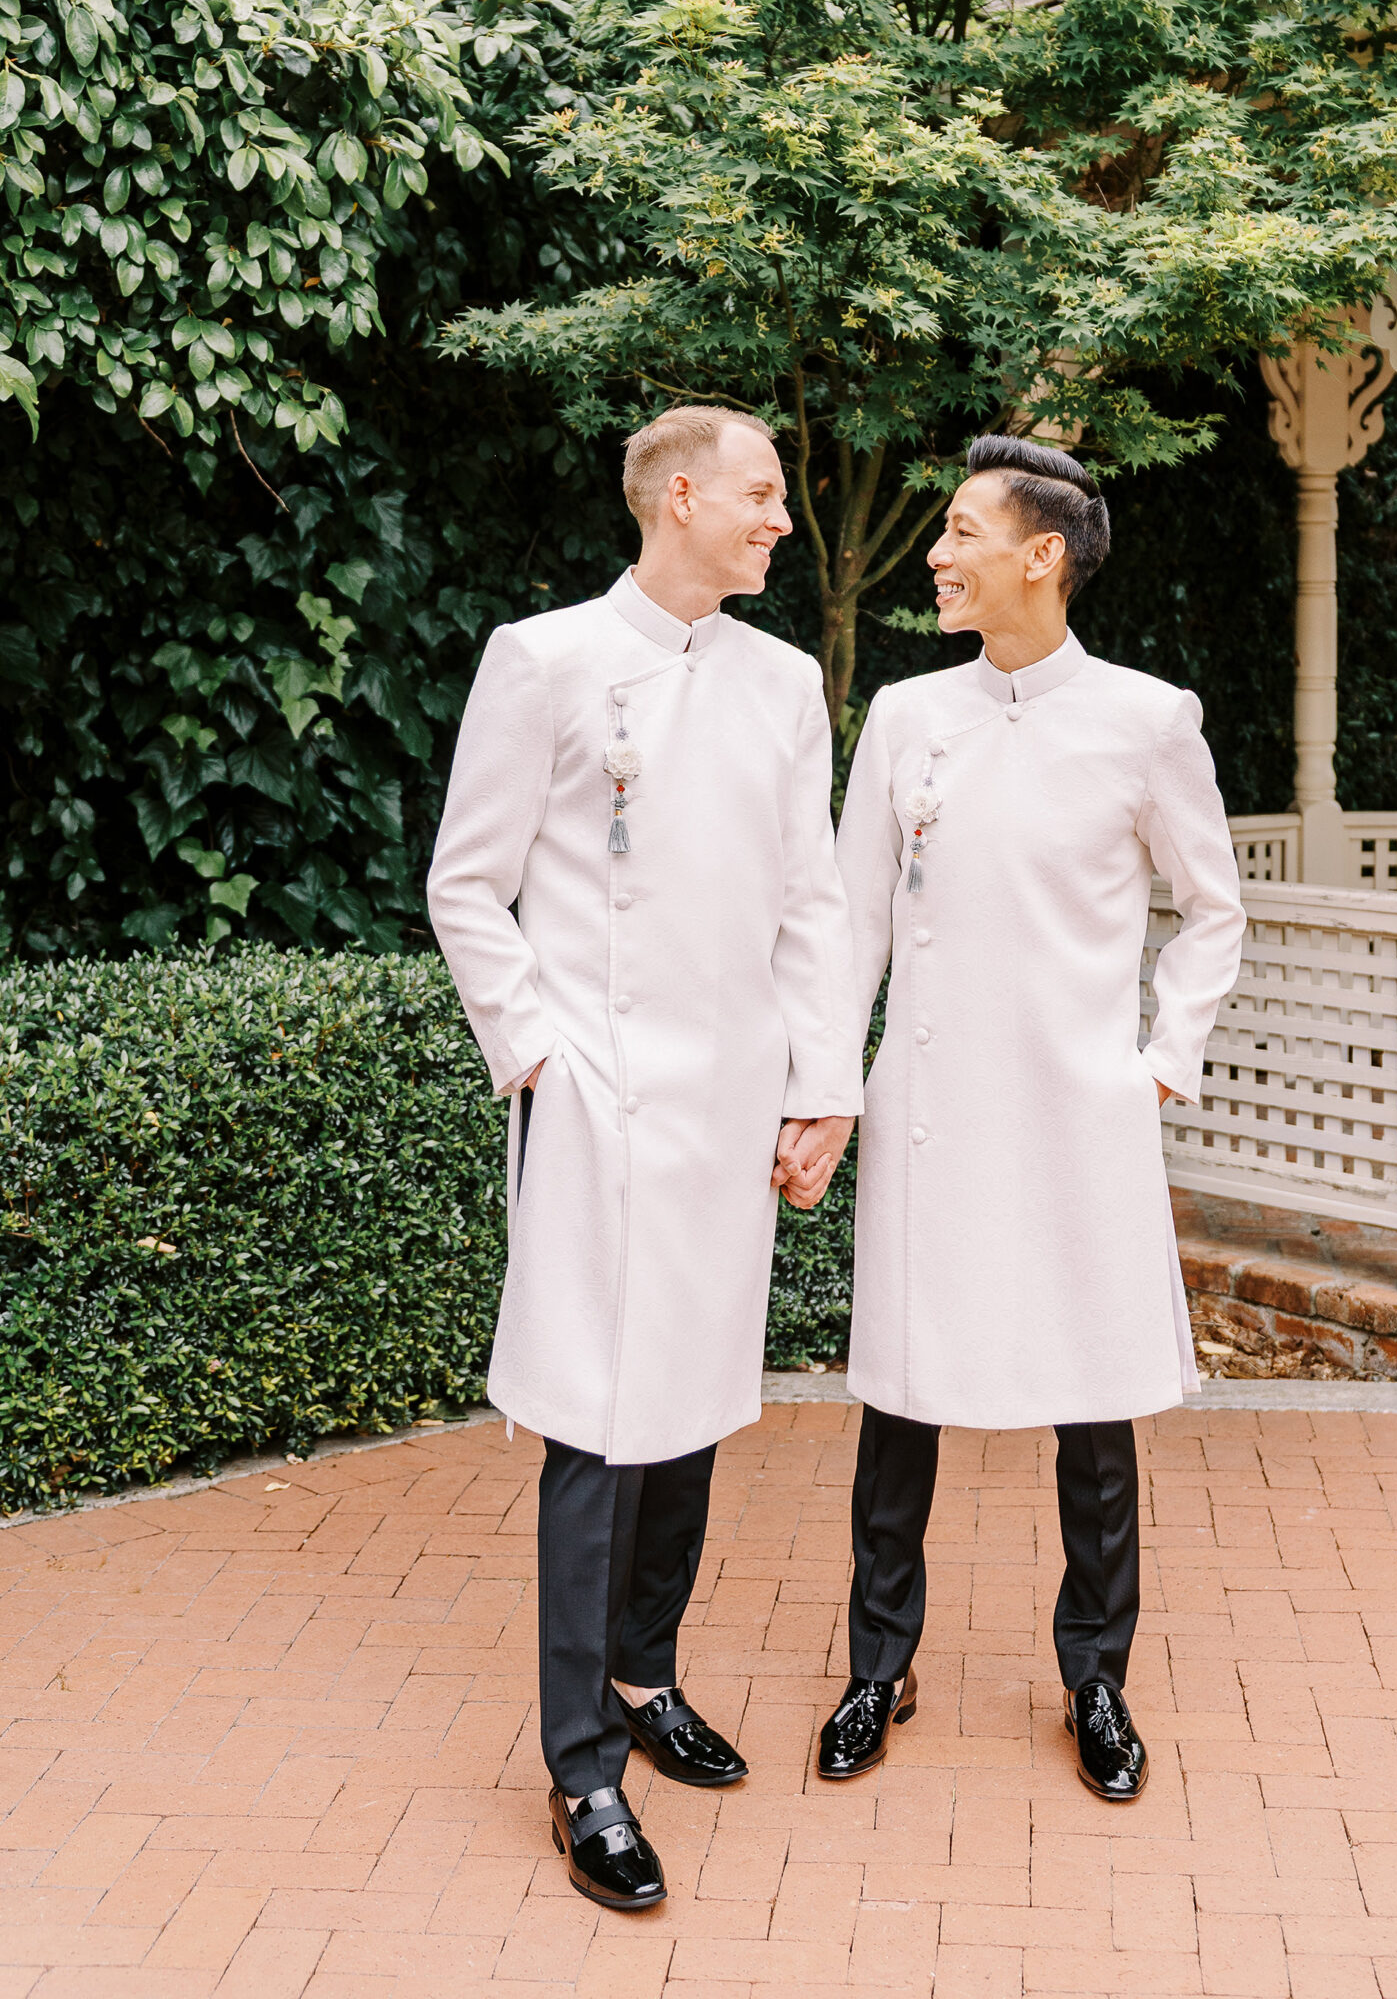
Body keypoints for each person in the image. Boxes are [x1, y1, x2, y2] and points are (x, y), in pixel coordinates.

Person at [428, 404, 861, 1910]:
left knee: (689, 1403)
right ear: (679, 497)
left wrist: (822, 1088)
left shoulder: (786, 682)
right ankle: (579, 1768)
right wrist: (541, 1057)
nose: (780, 521)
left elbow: (811, 901)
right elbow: (466, 886)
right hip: (600, 1091)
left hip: (733, 1097)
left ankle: (644, 1676)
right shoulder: (542, 661)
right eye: (760, 494)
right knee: (593, 1419)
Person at [821, 432, 1246, 1801]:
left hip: (1077, 1110)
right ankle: (875, 1664)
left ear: (1039, 555)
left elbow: (1211, 912)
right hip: (933, 1099)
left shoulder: (1145, 718)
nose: (935, 556)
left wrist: (1158, 1065)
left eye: (957, 532)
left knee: (1093, 1395)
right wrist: (826, 1084)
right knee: (899, 1389)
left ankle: (1095, 1678)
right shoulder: (902, 718)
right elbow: (850, 930)